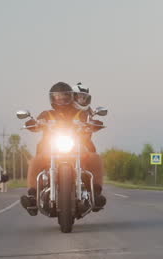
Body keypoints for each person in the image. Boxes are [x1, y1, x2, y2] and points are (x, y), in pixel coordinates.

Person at [20, 81, 105, 215]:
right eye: (57, 96)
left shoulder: (80, 114)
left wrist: (94, 123)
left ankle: (96, 193)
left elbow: (90, 120)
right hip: (50, 150)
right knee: (36, 160)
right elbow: (36, 122)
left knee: (94, 157)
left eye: (64, 95)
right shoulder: (47, 114)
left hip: (76, 148)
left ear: (70, 96)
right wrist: (33, 123)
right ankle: (32, 196)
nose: (61, 99)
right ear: (52, 98)